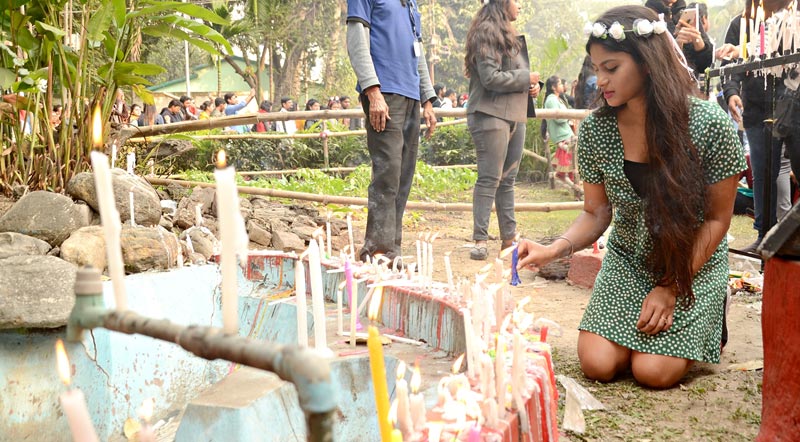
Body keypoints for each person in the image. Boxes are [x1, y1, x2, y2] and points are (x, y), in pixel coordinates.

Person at [517, 5, 745, 389]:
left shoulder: (709, 125)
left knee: (652, 372)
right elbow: (596, 213)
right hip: (629, 261)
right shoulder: (597, 130)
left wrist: (671, 287)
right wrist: (552, 249)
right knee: (598, 364)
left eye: (611, 67)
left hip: (690, 263)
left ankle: (708, 311)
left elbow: (717, 220)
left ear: (648, 63)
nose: (600, 79)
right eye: (596, 68)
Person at [346, 0, 437, 263]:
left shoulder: (410, 3)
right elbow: (357, 38)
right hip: (384, 93)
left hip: (411, 95)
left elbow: (417, 51)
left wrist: (427, 98)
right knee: (387, 173)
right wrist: (372, 90)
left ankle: (392, 252)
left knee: (402, 176)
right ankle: (377, 251)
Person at [464, 0, 540, 260]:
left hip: (515, 114)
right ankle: (480, 239)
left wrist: (532, 86)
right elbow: (490, 78)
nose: (519, 5)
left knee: (507, 179)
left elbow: (512, 74)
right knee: (490, 178)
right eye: (516, 0)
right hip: (490, 113)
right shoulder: (486, 32)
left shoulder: (509, 35)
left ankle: (509, 238)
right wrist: (525, 78)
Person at [722, 0, 794, 252]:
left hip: (791, 106)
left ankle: (786, 234)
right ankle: (764, 233)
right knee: (763, 172)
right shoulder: (741, 24)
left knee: (788, 167)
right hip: (755, 109)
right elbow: (730, 67)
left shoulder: (793, 21)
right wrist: (732, 92)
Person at [544, 75, 577, 184]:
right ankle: (574, 185)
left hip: (565, 133)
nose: (562, 85)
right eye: (560, 84)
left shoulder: (557, 99)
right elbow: (559, 119)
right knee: (570, 161)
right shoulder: (551, 100)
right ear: (553, 87)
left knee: (572, 161)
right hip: (562, 135)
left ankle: (574, 185)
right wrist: (569, 117)